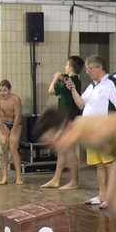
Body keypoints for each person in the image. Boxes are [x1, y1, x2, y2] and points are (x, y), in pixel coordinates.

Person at [68, 54, 116, 207]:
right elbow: (81, 104)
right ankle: (102, 195)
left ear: (99, 68)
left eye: (89, 68)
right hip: (91, 132)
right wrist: (73, 89)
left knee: (109, 164)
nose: (87, 71)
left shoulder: (110, 83)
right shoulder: (92, 86)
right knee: (99, 165)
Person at [42, 56, 84, 189]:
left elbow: (52, 90)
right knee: (62, 150)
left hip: (69, 119)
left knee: (70, 151)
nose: (65, 67)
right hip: (65, 119)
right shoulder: (70, 80)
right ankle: (56, 179)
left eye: (66, 65)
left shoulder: (71, 81)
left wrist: (57, 77)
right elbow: (53, 90)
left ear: (71, 67)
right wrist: (59, 77)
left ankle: (74, 181)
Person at [0, 80, 23, 185]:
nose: (2, 93)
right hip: (4, 124)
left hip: (16, 124)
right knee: (4, 147)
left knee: (13, 147)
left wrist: (13, 132)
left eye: (5, 90)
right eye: (0, 90)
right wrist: (3, 133)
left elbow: (18, 117)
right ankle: (5, 176)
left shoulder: (16, 99)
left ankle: (19, 177)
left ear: (10, 90)